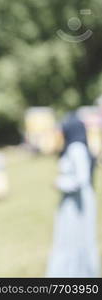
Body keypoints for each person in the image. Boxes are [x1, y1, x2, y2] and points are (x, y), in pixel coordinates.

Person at [46, 113, 100, 277]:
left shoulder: (76, 148)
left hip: (78, 203)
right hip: (73, 201)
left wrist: (60, 183)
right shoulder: (74, 147)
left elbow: (81, 179)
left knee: (77, 240)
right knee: (68, 239)